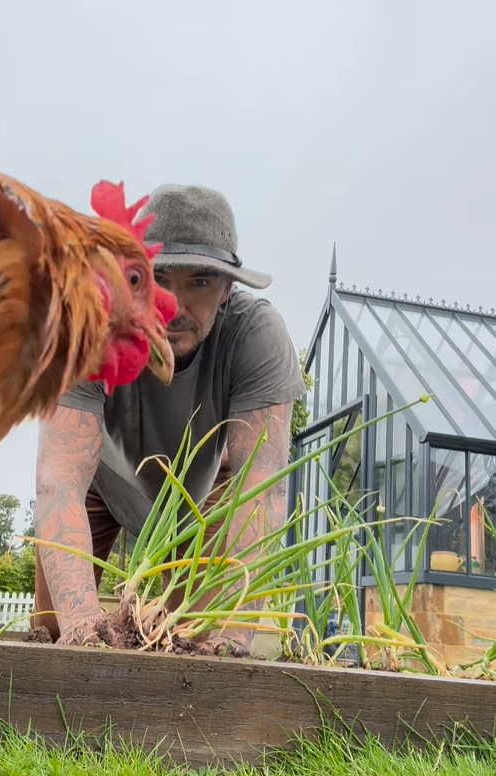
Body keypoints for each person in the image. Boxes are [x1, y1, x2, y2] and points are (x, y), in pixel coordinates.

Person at [30, 183, 306, 653]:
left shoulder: (257, 337)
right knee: (55, 631)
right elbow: (58, 481)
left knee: (193, 642)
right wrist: (82, 624)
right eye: (159, 278)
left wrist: (231, 639)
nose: (174, 306)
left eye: (199, 281)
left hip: (205, 496)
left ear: (227, 290)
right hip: (100, 479)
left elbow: (260, 489)